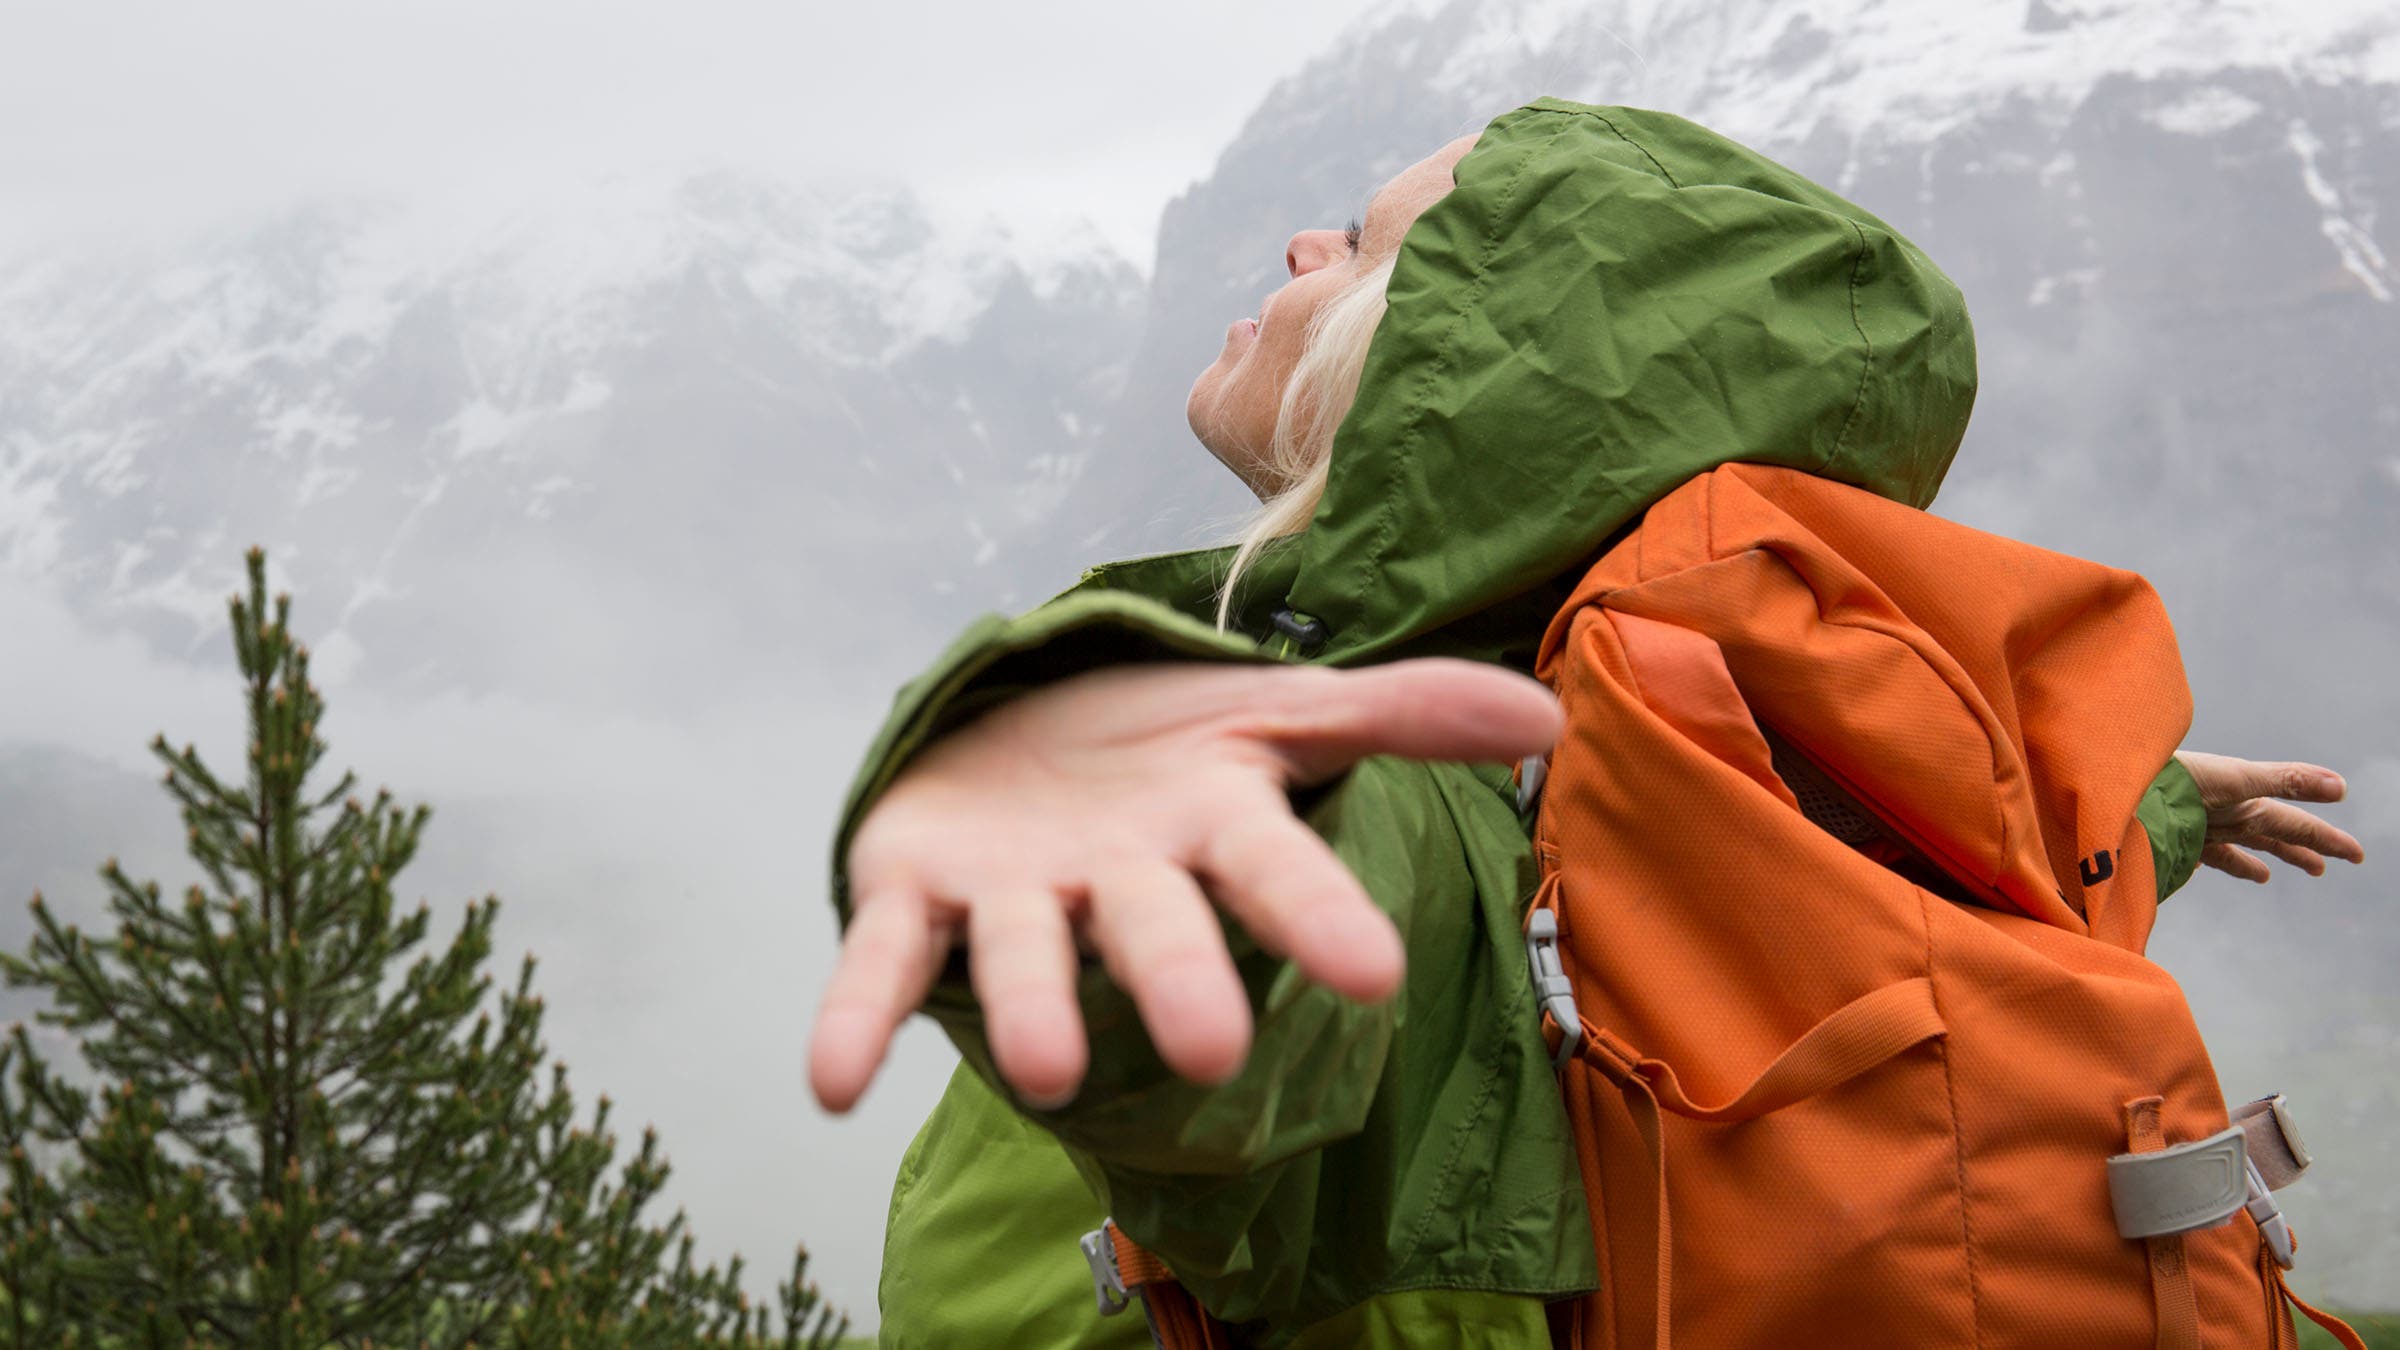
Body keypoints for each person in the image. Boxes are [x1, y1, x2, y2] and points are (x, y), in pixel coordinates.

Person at [808, 99, 2365, 1347]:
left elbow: (1291, 964)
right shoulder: (1706, 758)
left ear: (1443, 375)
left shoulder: (1409, 782)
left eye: (1358, 246)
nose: (1295, 244)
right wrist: (2139, 803)